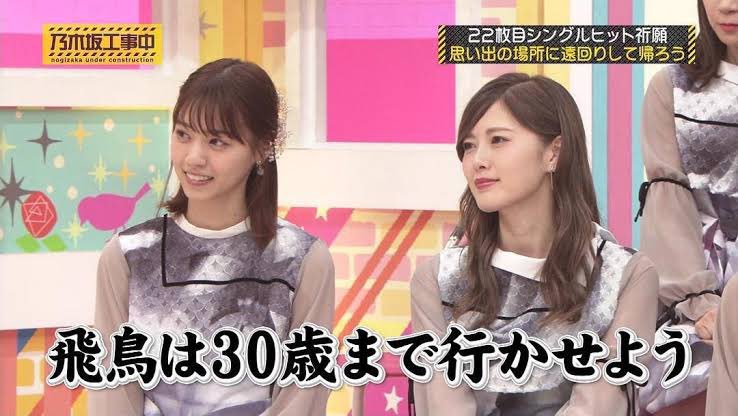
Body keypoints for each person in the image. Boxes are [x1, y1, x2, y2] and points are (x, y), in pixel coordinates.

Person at [88, 58, 335, 415]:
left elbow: (303, 399)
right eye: (183, 134)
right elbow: (112, 393)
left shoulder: (303, 260)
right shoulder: (128, 255)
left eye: (217, 141)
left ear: (262, 148)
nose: (193, 157)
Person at [410, 73, 658, 416]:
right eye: (468, 146)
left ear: (554, 152)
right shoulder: (438, 279)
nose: (478, 160)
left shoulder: (626, 276)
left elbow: (600, 406)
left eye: (498, 140)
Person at [636, 0, 738, 412]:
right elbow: (669, 200)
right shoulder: (672, 86)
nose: (727, 5)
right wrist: (700, 302)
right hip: (699, 283)